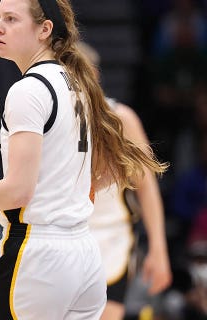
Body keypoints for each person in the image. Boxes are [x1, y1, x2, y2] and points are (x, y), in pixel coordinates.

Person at [0, 0, 168, 319]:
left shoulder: (29, 90)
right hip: (84, 253)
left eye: (11, 19)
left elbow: (18, 192)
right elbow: (110, 172)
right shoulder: (80, 87)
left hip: (38, 255)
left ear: (44, 30)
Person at [76, 41, 172, 320]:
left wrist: (158, 248)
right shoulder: (50, 118)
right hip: (63, 238)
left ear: (92, 74)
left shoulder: (122, 119)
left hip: (110, 238)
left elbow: (148, 189)